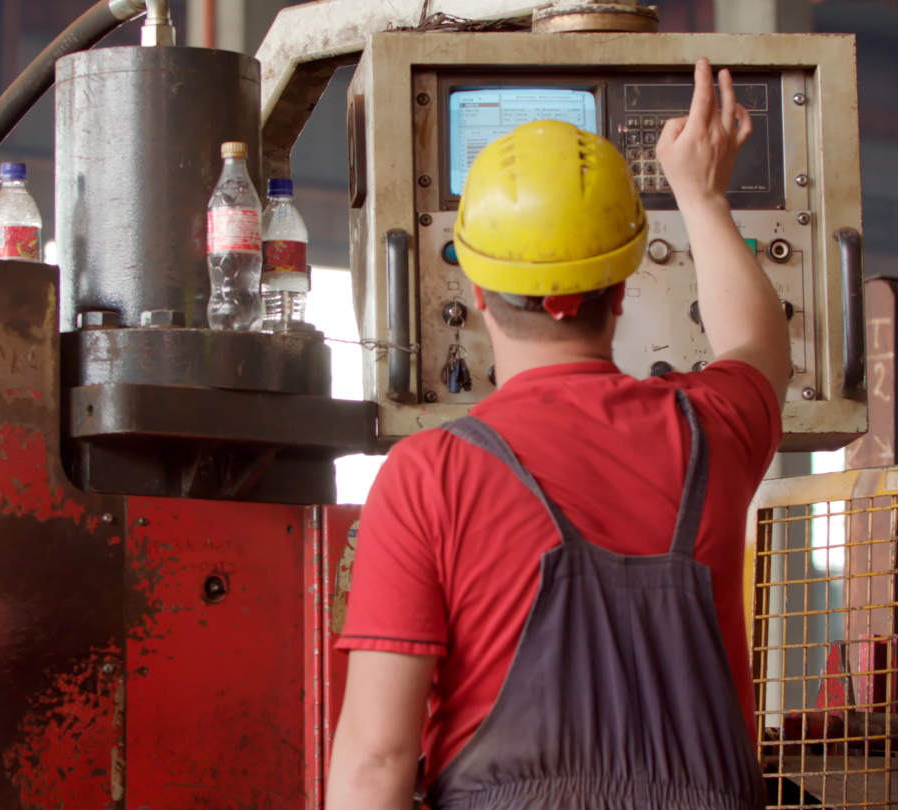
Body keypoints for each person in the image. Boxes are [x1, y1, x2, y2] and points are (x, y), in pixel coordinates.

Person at [326, 58, 791, 810]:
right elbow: (760, 347)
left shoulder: (429, 475)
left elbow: (377, 759)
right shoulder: (713, 428)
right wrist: (702, 195)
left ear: (476, 290)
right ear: (624, 284)